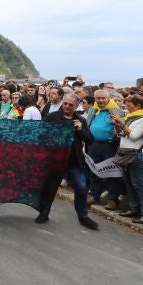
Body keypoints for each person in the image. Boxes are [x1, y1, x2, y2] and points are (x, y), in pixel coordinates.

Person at [38, 94, 98, 229]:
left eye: (71, 105)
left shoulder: (80, 120)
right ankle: (44, 212)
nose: (67, 107)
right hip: (54, 160)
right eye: (65, 103)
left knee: (81, 188)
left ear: (77, 106)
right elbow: (41, 135)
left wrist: (80, 130)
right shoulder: (52, 117)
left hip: (74, 162)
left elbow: (90, 139)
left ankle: (83, 216)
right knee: (49, 188)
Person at [111, 94, 143, 224]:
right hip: (127, 154)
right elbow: (120, 134)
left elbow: (134, 136)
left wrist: (122, 123)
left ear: (138, 105)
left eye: (129, 104)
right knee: (129, 183)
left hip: (138, 154)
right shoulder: (131, 117)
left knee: (139, 184)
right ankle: (134, 208)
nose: (126, 107)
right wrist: (117, 125)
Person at [84, 90, 124, 210]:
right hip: (93, 144)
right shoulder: (93, 109)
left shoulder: (117, 111)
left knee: (112, 173)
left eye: (103, 98)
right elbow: (87, 124)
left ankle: (113, 199)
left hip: (110, 145)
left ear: (108, 98)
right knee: (93, 170)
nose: (101, 101)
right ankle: (94, 195)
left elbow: (121, 128)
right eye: (98, 98)